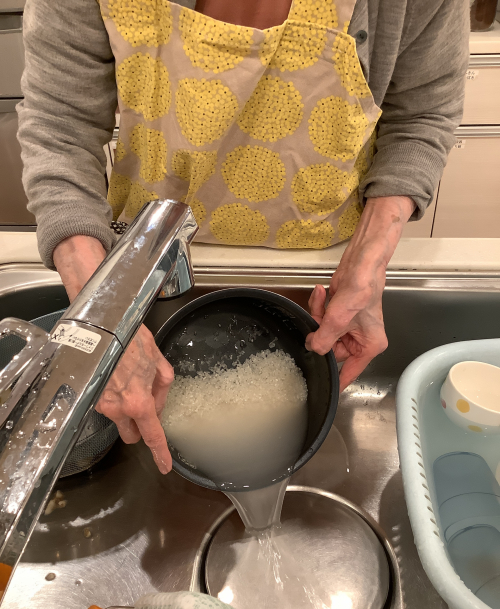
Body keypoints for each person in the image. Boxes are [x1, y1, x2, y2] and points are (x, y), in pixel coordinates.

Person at [17, 0, 469, 473]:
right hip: (153, 260)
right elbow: (59, 125)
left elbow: (421, 114)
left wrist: (369, 260)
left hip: (320, 266)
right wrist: (100, 321)